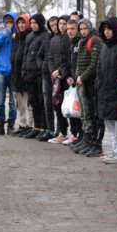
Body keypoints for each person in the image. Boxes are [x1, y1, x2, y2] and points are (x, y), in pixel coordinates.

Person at [96, 16, 117, 163]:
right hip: (104, 91)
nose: (106, 32)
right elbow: (99, 67)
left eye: (109, 29)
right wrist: (98, 84)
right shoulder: (104, 46)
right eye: (104, 29)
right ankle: (114, 151)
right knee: (110, 124)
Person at [73, 18, 102, 157]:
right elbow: (79, 62)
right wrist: (77, 76)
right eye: (81, 29)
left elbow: (94, 63)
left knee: (92, 112)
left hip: (91, 82)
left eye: (85, 28)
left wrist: (82, 77)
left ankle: (94, 141)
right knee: (84, 112)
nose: (83, 31)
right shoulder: (81, 41)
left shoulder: (95, 40)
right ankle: (87, 139)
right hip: (82, 82)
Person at [21, 14, 49, 139]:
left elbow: (45, 55)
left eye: (35, 23)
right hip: (29, 74)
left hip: (39, 75)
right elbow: (25, 55)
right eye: (31, 23)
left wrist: (41, 69)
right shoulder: (29, 36)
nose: (33, 25)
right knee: (33, 102)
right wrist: (24, 71)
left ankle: (44, 127)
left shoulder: (45, 36)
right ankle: (36, 127)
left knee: (41, 102)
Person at [0, 11, 18, 135]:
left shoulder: (17, 36)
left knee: (13, 102)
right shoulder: (1, 34)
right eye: (6, 21)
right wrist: (4, 35)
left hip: (13, 72)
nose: (9, 23)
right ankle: (0, 125)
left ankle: (11, 125)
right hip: (1, 71)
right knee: (0, 101)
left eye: (11, 21)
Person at [48, 15, 71, 143]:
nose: (61, 26)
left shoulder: (69, 39)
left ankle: (74, 133)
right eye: (60, 23)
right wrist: (53, 71)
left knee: (69, 106)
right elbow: (50, 57)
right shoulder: (54, 40)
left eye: (64, 23)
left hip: (67, 77)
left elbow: (69, 60)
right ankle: (62, 132)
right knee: (57, 105)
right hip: (56, 79)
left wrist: (60, 71)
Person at [36, 16, 59, 141]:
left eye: (56, 24)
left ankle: (60, 131)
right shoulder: (47, 38)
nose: (54, 27)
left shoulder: (62, 38)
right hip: (46, 76)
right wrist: (42, 66)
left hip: (58, 76)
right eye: (52, 25)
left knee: (58, 104)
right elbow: (39, 55)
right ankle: (50, 130)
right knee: (48, 104)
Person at [10, 14, 33, 136]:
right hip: (16, 74)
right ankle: (22, 124)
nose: (21, 25)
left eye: (23, 22)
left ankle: (30, 125)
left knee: (28, 102)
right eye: (19, 23)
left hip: (26, 73)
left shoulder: (30, 36)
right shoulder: (16, 36)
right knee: (20, 103)